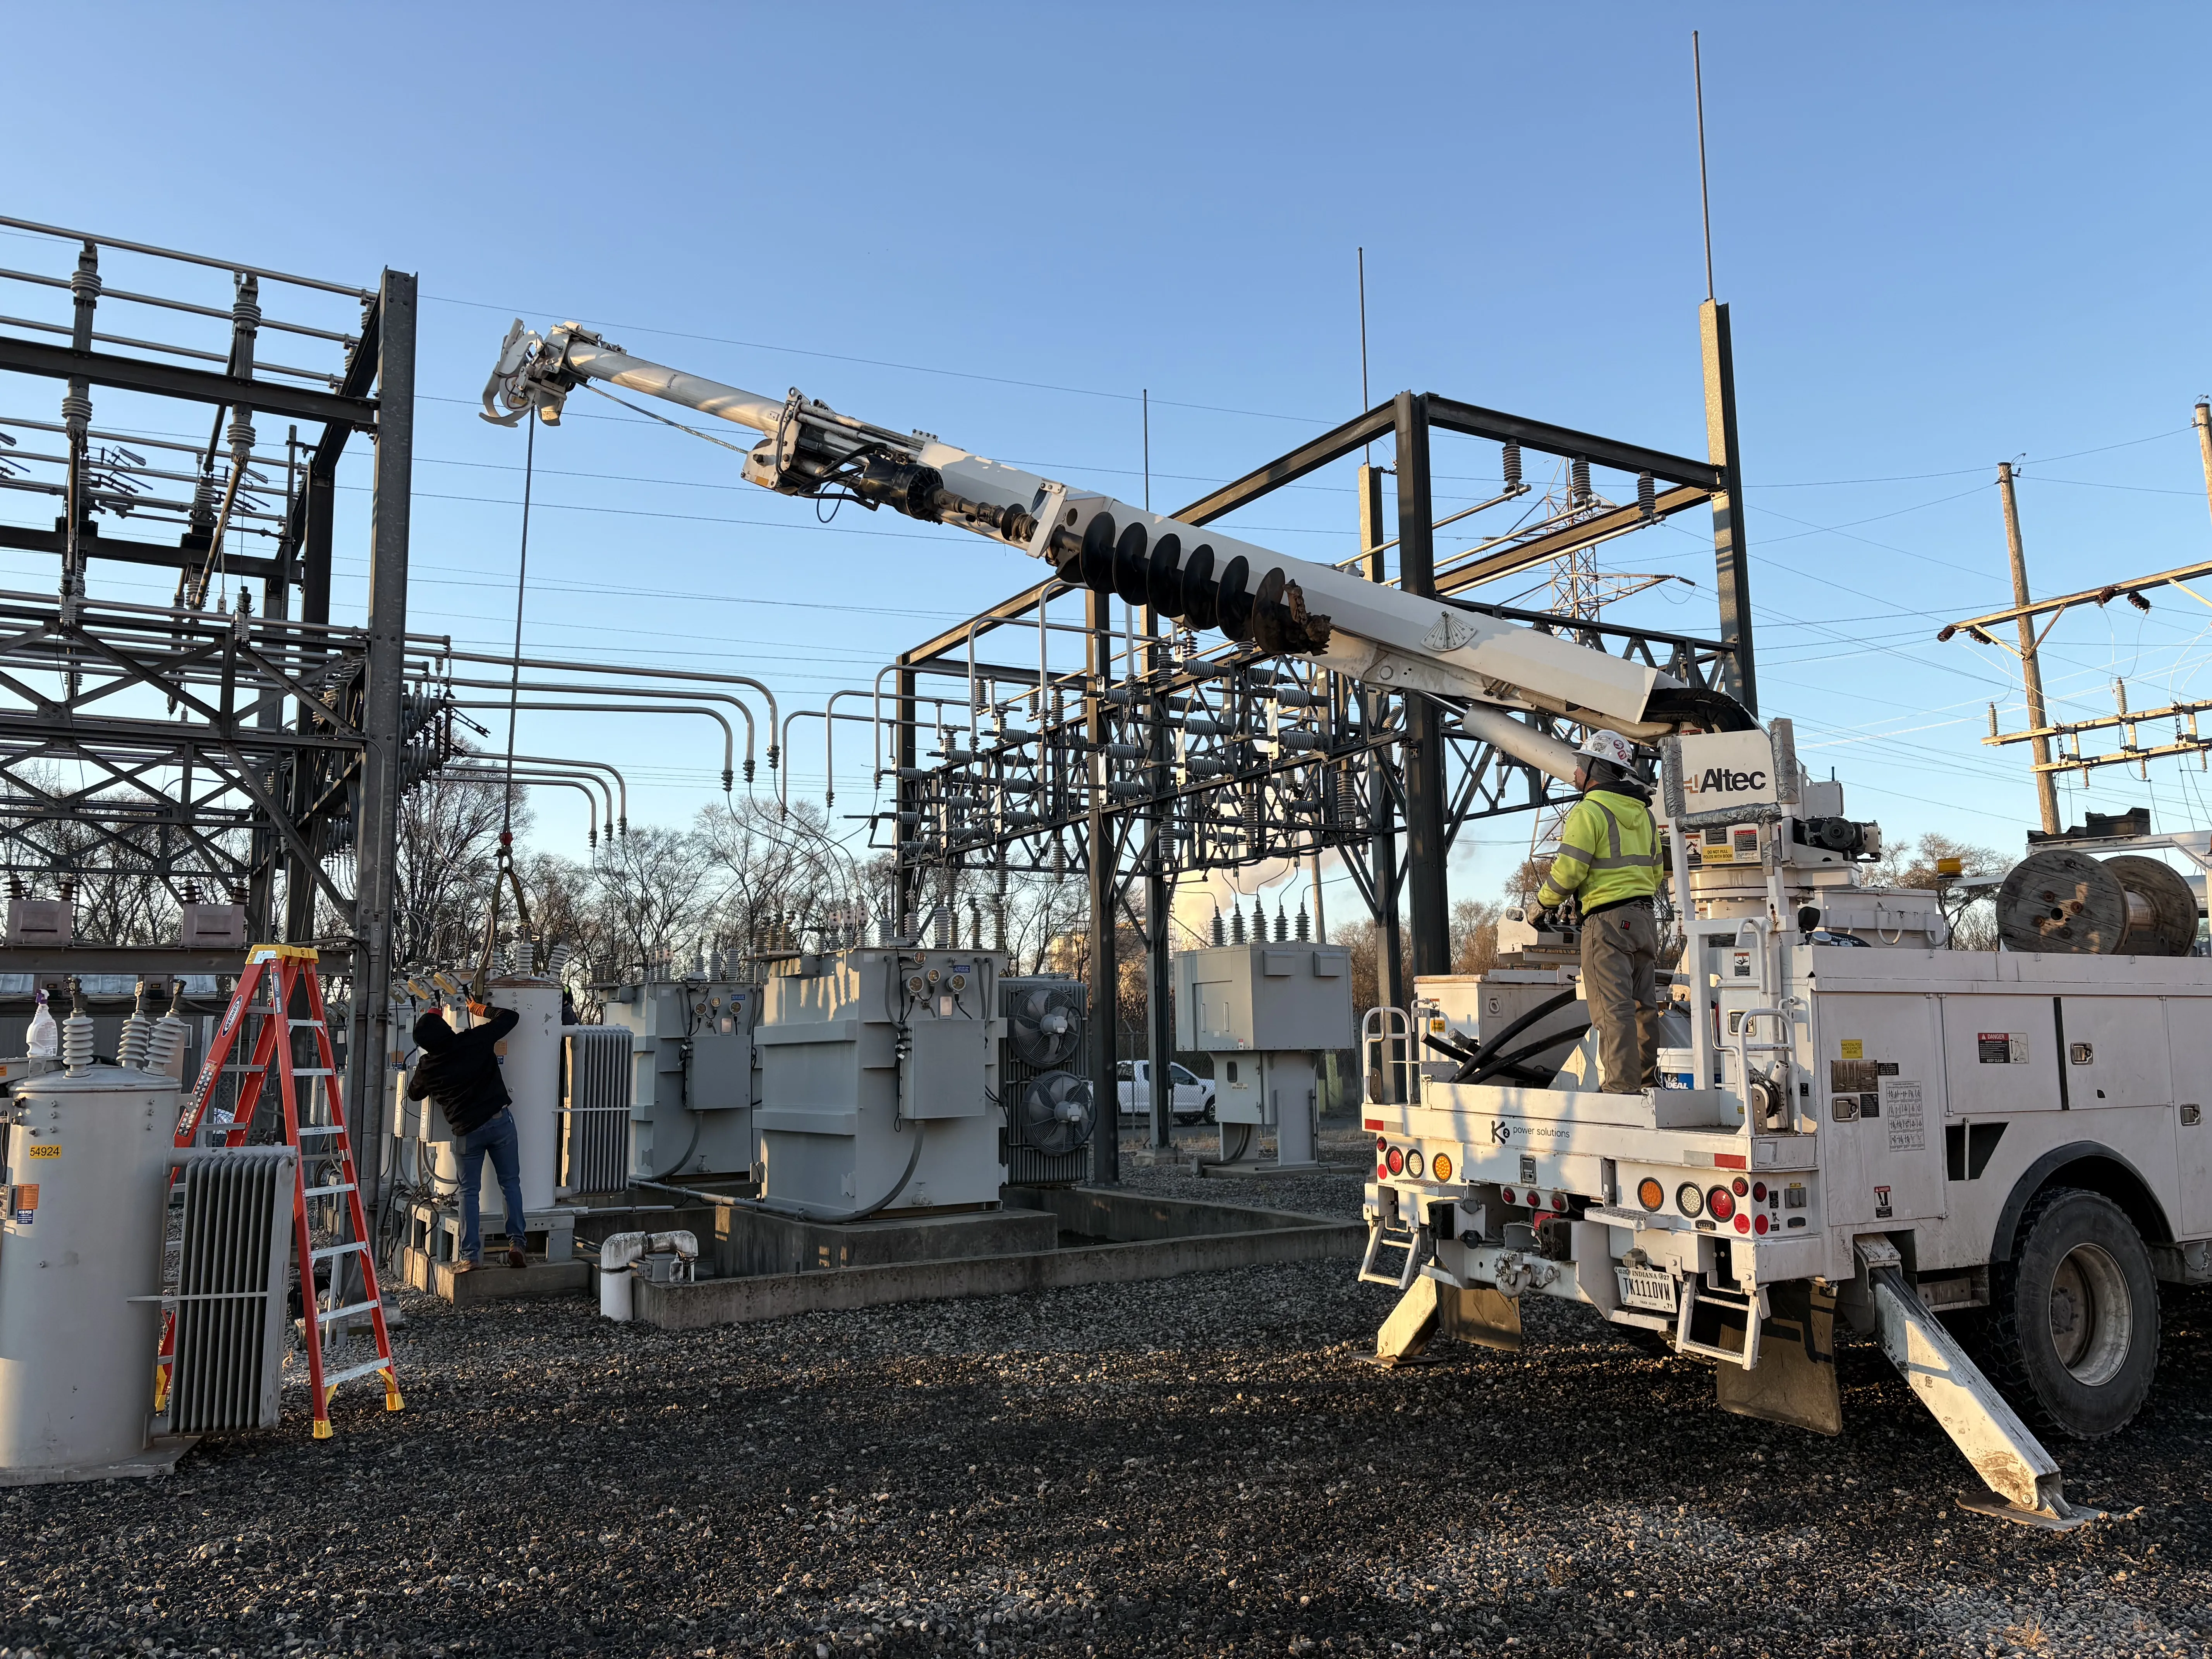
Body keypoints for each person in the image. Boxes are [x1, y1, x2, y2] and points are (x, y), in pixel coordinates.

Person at [1535, 730, 1664, 1094]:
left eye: (1579, 764)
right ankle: (1645, 1083)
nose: (1575, 772)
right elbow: (1655, 873)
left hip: (1607, 923)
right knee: (1644, 1007)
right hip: (1644, 920)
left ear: (1594, 767)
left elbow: (1569, 872)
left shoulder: (1588, 812)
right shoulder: (1644, 815)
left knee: (1612, 1009)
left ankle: (1621, 1091)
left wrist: (1541, 905)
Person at [407, 1000, 529, 1271]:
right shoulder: (474, 1039)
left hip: (466, 1133)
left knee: (469, 1194)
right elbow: (511, 1015)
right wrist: (479, 1009)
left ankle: (470, 1256)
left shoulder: (428, 1066)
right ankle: (517, 1244)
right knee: (510, 1184)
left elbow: (413, 1094)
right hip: (500, 1123)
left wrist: (423, 1065)